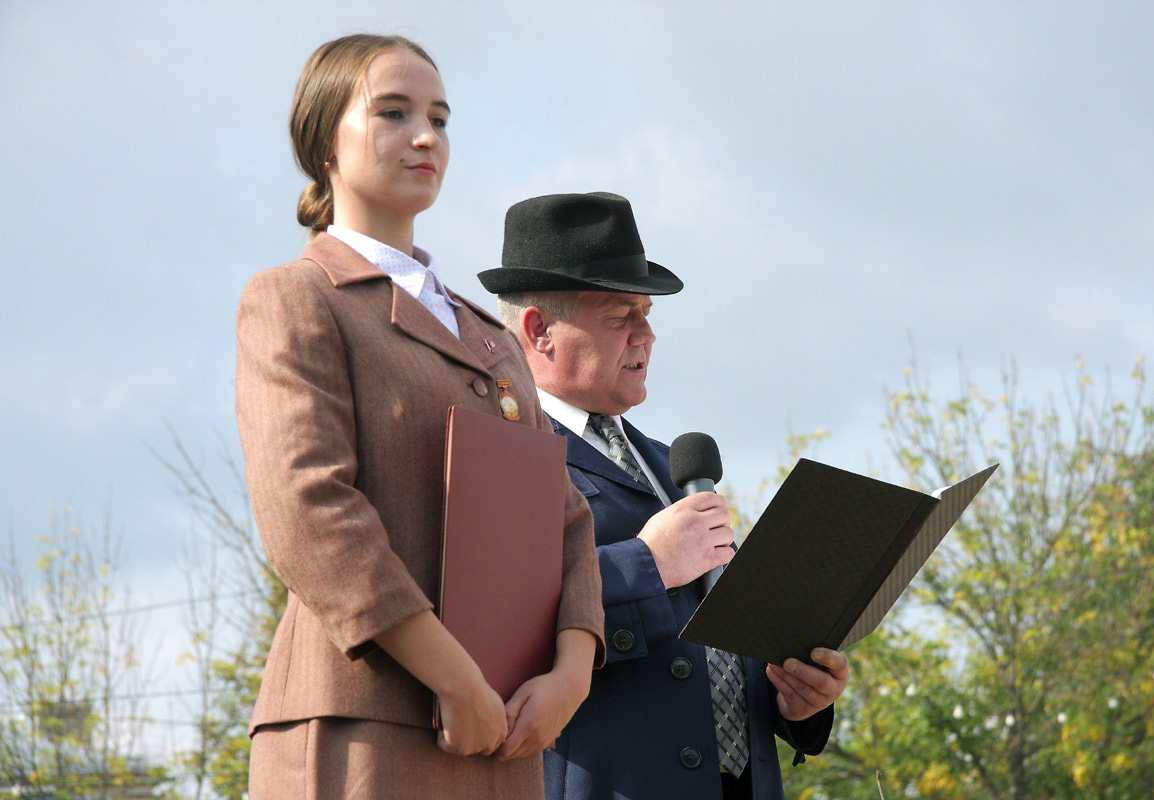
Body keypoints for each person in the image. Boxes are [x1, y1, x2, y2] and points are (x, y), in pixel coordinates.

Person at [234, 36, 604, 799]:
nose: (427, 135)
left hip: (504, 737)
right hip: (363, 728)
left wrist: (570, 675)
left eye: (440, 116)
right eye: (393, 112)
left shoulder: (491, 338)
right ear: (323, 142)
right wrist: (453, 676)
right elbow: (310, 509)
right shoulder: (297, 298)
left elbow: (563, 519)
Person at [479, 192, 850, 800]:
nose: (646, 335)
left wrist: (794, 696)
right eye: (620, 316)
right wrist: (647, 564)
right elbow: (495, 616)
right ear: (539, 329)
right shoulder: (500, 449)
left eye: (647, 314)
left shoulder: (668, 463)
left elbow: (713, 641)